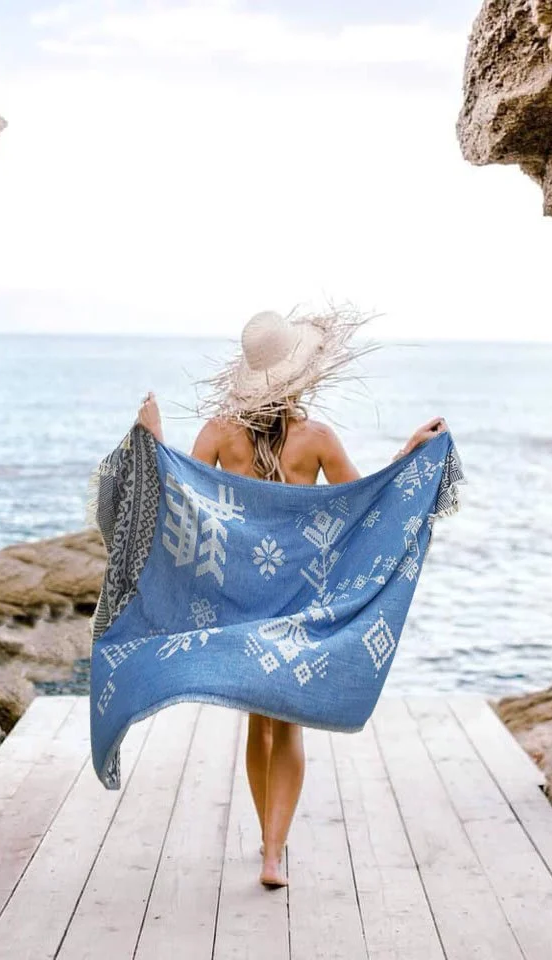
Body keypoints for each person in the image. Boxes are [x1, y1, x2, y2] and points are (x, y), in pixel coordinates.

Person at [135, 309, 446, 888]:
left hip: (242, 598)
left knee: (261, 722)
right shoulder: (317, 439)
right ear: (303, 375)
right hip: (303, 598)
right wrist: (409, 455)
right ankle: (275, 851)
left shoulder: (219, 435)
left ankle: (267, 844)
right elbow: (366, 505)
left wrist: (153, 442)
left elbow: (183, 501)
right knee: (290, 724)